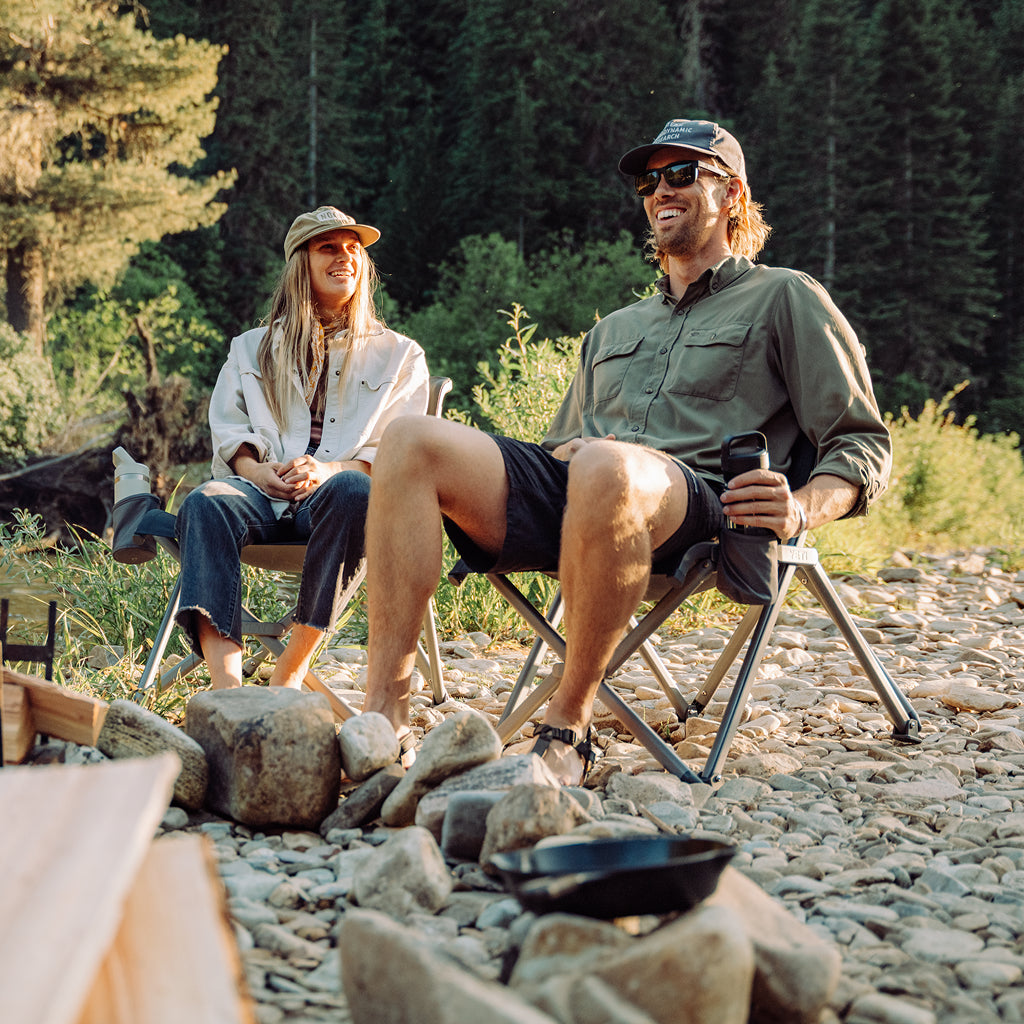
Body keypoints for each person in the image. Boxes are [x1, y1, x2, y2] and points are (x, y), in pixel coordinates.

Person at [361, 119, 891, 784]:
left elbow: (861, 442)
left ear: (732, 196)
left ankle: (569, 723)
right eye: (650, 178)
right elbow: (561, 447)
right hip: (583, 494)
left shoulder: (785, 295)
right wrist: (568, 453)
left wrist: (803, 507)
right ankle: (384, 716)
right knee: (411, 439)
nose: (660, 188)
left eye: (682, 174)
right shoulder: (615, 329)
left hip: (692, 505)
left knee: (607, 464)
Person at [175, 206, 430, 692]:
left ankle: (288, 674)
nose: (345, 258)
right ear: (301, 263)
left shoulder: (400, 354)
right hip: (259, 495)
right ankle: (227, 691)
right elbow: (228, 428)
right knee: (205, 502)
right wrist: (256, 472)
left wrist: (331, 469)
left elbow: (404, 449)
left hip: (337, 502)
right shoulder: (249, 348)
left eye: (353, 249)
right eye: (328, 247)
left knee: (356, 489)